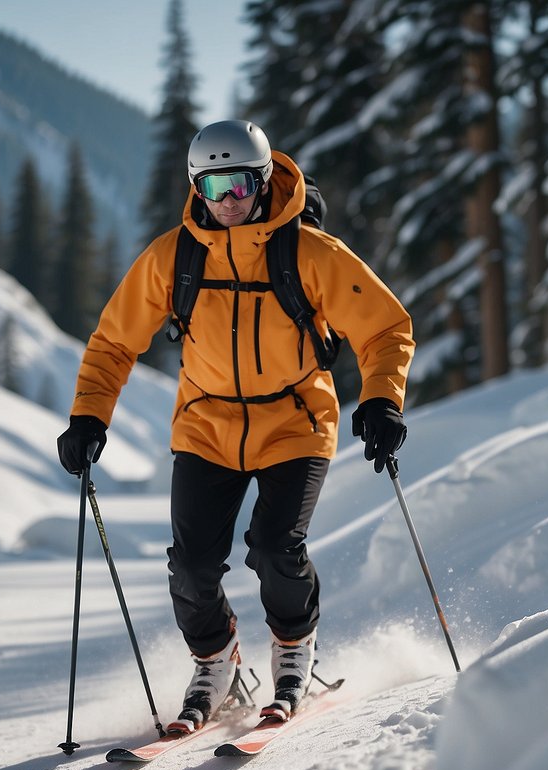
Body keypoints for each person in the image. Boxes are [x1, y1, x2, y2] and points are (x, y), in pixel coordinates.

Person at [57, 120, 413, 733]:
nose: (229, 202)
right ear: (197, 187)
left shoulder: (310, 253)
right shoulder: (175, 257)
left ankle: (295, 650)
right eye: (215, 186)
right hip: (206, 424)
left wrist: (382, 400)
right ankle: (216, 664)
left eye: (241, 185)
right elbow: (114, 341)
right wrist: (88, 414)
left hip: (295, 419)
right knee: (192, 565)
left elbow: (384, 327)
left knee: (275, 547)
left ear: (264, 179)